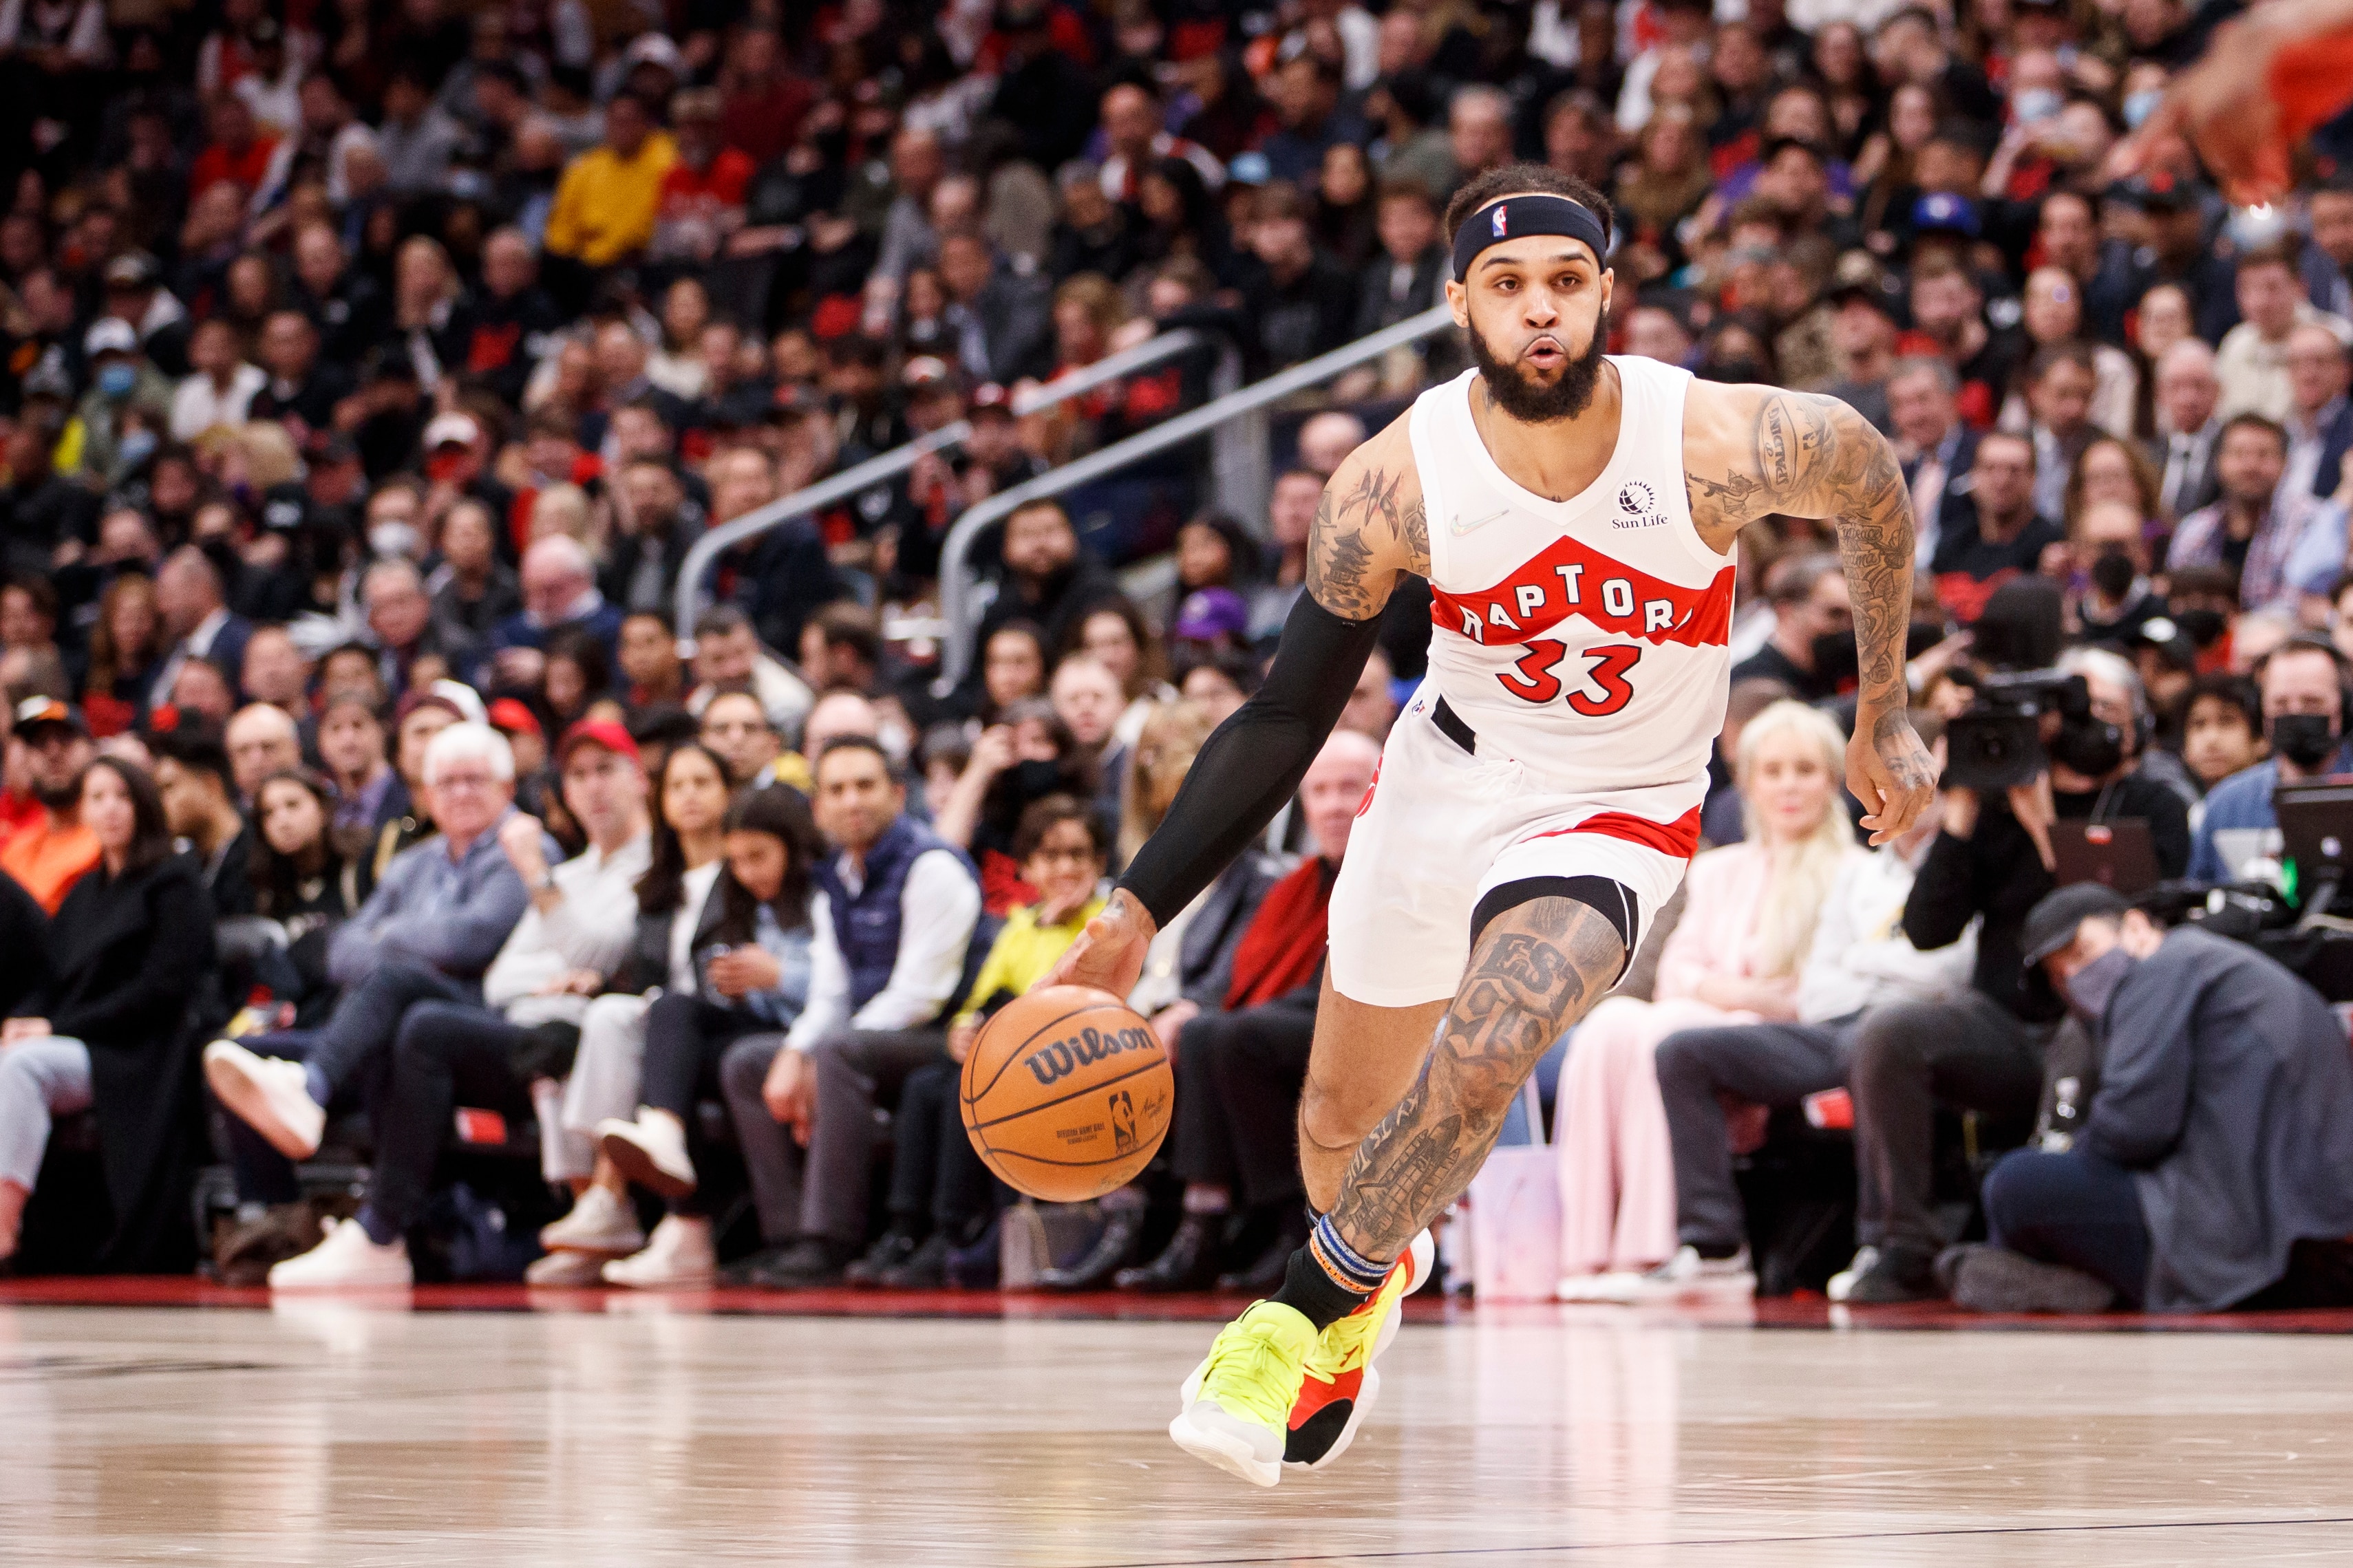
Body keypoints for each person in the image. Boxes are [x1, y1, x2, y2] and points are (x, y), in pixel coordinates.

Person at [1047, 165, 1934, 1485]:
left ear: (1604, 296)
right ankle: (1364, 1282)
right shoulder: (1392, 481)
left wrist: (1881, 706)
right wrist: (1129, 908)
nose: (1539, 313)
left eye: (1565, 284)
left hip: (1618, 805)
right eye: (1507, 285)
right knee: (1342, 1128)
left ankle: (1289, 1317)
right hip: (1442, 783)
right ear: (1457, 298)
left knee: (1491, 1038)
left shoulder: (1708, 438)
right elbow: (1286, 714)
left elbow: (1867, 478)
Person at [264, 720, 650, 1289]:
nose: (592, 788)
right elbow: (501, 976)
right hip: (511, 1019)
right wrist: (549, 971)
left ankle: (375, 1218)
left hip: (559, 1034)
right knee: (397, 1016)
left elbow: (535, 943)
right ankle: (355, 1217)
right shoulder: (566, 871)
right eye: (579, 774)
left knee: (413, 1010)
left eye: (605, 772)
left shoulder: (567, 860)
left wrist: (395, 936)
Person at [1648, 714, 1973, 1300]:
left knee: (1882, 1035)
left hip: (1910, 1029)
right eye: (1892, 779)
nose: (1904, 792)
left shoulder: (1962, 868)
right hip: (1828, 1028)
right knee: (1682, 1051)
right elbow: (1820, 986)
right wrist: (1876, 967)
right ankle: (1713, 1243)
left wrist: (1865, 962)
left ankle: (1884, 1241)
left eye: (1918, 780)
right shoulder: (1865, 873)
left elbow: (1947, 974)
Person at [1553, 700, 1862, 1297]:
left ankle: (1660, 1247)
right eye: (1772, 771)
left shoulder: (1851, 872)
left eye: (1804, 769)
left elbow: (1821, 993)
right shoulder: (1717, 870)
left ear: (1830, 778)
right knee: (1612, 1021)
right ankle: (1590, 1249)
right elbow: (1675, 970)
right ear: (1747, 782)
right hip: (1709, 1013)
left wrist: (1723, 994)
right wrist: (1740, 992)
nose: (1788, 785)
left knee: (1670, 1034)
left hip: (1778, 1037)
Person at [1949, 885, 2353, 1313]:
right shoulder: (2212, 965)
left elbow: (2133, 1127)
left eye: (2082, 951)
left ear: (2137, 926)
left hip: (2243, 1245)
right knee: (2034, 1186)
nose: (2075, 979)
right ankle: (2075, 1284)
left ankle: (2080, 1286)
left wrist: (2073, 1163)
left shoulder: (2164, 968)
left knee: (2013, 1184)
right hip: (2295, 1232)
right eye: (2059, 976)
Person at [200, 723, 555, 1177]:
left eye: (475, 779)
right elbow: (342, 950)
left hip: (475, 1016)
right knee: (242, 1055)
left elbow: (475, 936)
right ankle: (272, 1215)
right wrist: (404, 945)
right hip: (387, 1020)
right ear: (426, 795)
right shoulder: (413, 862)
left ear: (506, 787)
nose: (460, 792)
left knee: (395, 984)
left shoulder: (523, 846)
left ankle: (312, 1087)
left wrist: (388, 936)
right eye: (447, 782)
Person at [1118, 731, 1379, 1293]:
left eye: (1349, 789)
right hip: (1301, 1016)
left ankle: (1277, 1219)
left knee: (1228, 1036)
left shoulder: (1397, 872)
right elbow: (1241, 974)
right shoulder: (1295, 886)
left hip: (1375, 1023)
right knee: (1208, 1031)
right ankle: (1206, 1219)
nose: (1333, 805)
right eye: (1320, 792)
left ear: (1378, 791)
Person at [721, 738, 984, 1288]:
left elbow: (920, 995)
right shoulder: (835, 879)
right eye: (836, 789)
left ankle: (830, 1240)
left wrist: (819, 1054)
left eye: (864, 785)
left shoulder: (932, 866)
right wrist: (796, 1053)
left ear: (896, 793)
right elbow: (830, 993)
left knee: (838, 1051)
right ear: (818, 808)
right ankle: (786, 1236)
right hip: (869, 1037)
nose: (851, 800)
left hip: (948, 1037)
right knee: (750, 1062)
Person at [851, 794, 1111, 1289]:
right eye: (1052, 855)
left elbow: (1068, 1001)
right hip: (1011, 1053)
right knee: (925, 1083)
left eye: (1078, 854)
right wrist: (961, 1031)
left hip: (1074, 1060)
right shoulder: (1018, 927)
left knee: (960, 1092)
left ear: (1098, 863)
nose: (1065, 867)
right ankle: (908, 1226)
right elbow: (981, 999)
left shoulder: (1102, 922)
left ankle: (957, 1228)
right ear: (1030, 867)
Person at [1, 758, 216, 1273]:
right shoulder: (83, 893)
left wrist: (57, 1028)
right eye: (97, 798)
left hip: (141, 1052)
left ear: (143, 804)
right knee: (12, 1054)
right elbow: (49, 981)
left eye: (121, 795)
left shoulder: (175, 883)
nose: (110, 809)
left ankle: (4, 1225)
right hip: (83, 1041)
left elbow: (162, 989)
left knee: (22, 1067)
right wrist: (23, 1020)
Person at [530, 741, 732, 1282]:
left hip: (722, 1019)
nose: (688, 796)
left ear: (729, 793)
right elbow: (647, 976)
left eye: (702, 783)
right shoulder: (657, 887)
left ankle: (610, 1198)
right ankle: (600, 1206)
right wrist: (602, 981)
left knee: (639, 1017)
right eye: (678, 786)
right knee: (600, 1017)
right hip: (667, 1020)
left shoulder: (743, 875)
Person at [2190, 636, 2353, 881]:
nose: (2296, 712)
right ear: (2262, 713)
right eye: (2281, 703)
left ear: (2344, 709)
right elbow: (2199, 903)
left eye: (2312, 702)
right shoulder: (2226, 806)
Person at [0, 699, 100, 914]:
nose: (53, 752)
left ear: (92, 749)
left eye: (65, 738)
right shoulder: (13, 853)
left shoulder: (113, 841)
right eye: (39, 743)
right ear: (26, 759)